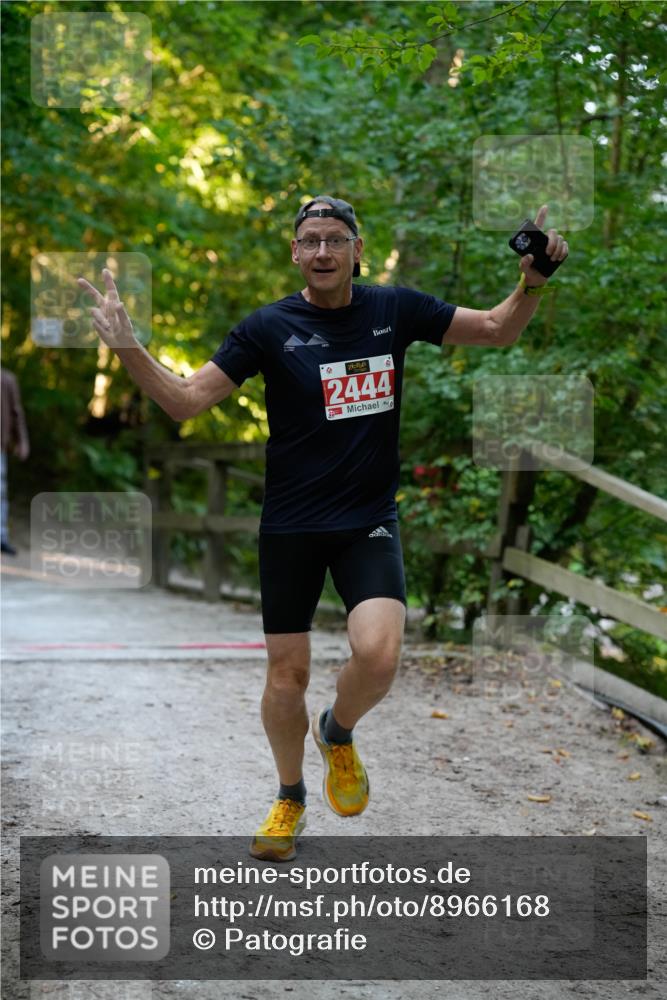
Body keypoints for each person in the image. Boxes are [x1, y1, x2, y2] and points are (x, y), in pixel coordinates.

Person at [78, 196, 568, 861]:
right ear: (294, 252)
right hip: (290, 526)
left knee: (380, 654)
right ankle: (289, 797)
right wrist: (128, 347)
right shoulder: (266, 328)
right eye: (309, 240)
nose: (321, 252)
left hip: (366, 519)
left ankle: (336, 732)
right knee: (287, 675)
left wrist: (530, 283)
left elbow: (495, 329)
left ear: (356, 249)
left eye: (334, 239)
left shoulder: (393, 310)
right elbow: (185, 401)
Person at [1, 366, 31, 555]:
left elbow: (16, 412)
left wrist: (22, 441)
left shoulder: (7, 380)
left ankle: (1, 536)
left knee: (0, 492)